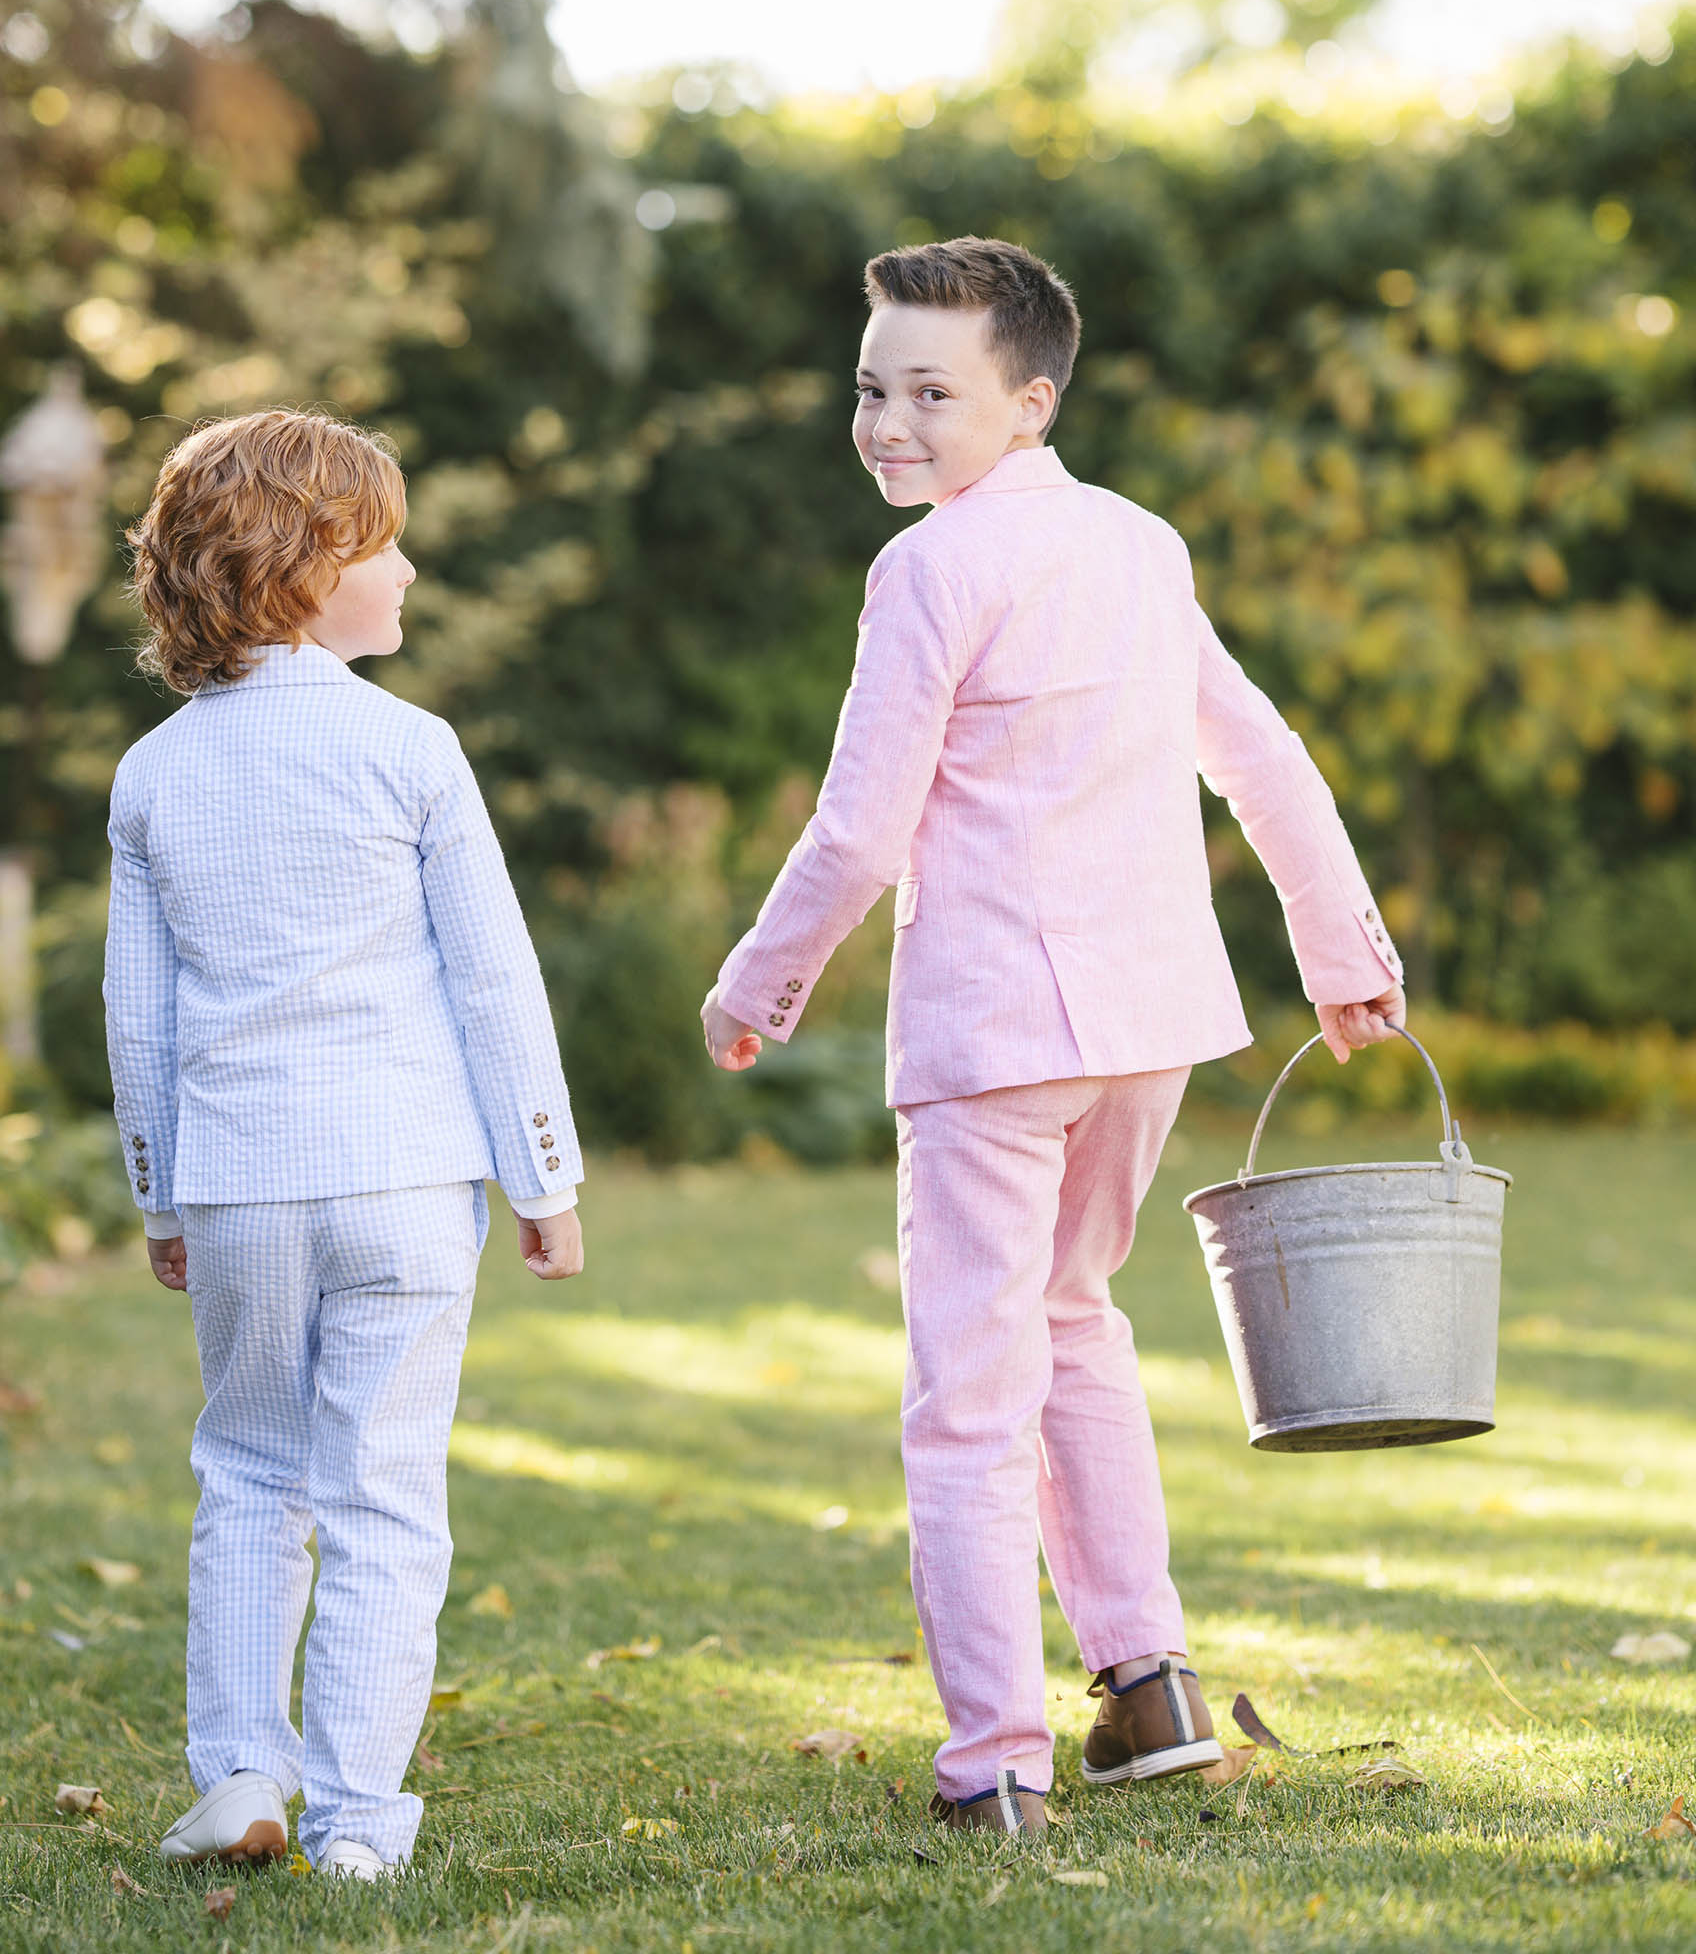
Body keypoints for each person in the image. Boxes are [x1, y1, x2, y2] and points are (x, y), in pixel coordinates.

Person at [700, 237, 1405, 1837]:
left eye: (930, 392)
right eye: (872, 385)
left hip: (997, 1034)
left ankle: (995, 1761)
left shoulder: (931, 568)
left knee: (967, 1391)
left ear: (1031, 401)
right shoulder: (1137, 543)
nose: (888, 419)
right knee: (1076, 1319)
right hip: (1147, 1026)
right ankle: (1146, 1690)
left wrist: (757, 985)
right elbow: (1262, 752)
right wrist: (1338, 945)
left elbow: (863, 831)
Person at [104, 409, 584, 1880]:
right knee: (384, 1492)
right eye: (386, 546)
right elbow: (492, 978)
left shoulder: (155, 774)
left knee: (251, 1471)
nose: (415, 570)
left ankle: (244, 1769)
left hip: (242, 1182)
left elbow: (140, 1019)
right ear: (307, 564)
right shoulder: (412, 751)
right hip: (405, 1181)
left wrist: (159, 1195)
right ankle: (363, 1826)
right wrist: (543, 1174)